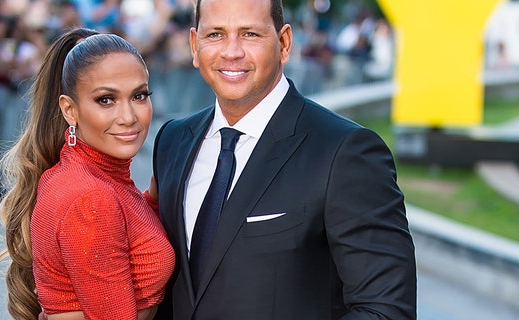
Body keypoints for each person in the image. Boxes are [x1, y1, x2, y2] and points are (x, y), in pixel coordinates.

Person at [150, 0, 417, 319]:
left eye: (249, 34)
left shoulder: (344, 152)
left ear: (285, 43)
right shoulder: (172, 141)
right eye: (216, 34)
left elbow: (385, 309)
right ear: (195, 45)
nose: (231, 51)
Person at [0, 28, 175, 320]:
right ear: (70, 110)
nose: (128, 117)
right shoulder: (90, 199)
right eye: (106, 100)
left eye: (139, 95)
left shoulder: (86, 177)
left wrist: (152, 203)